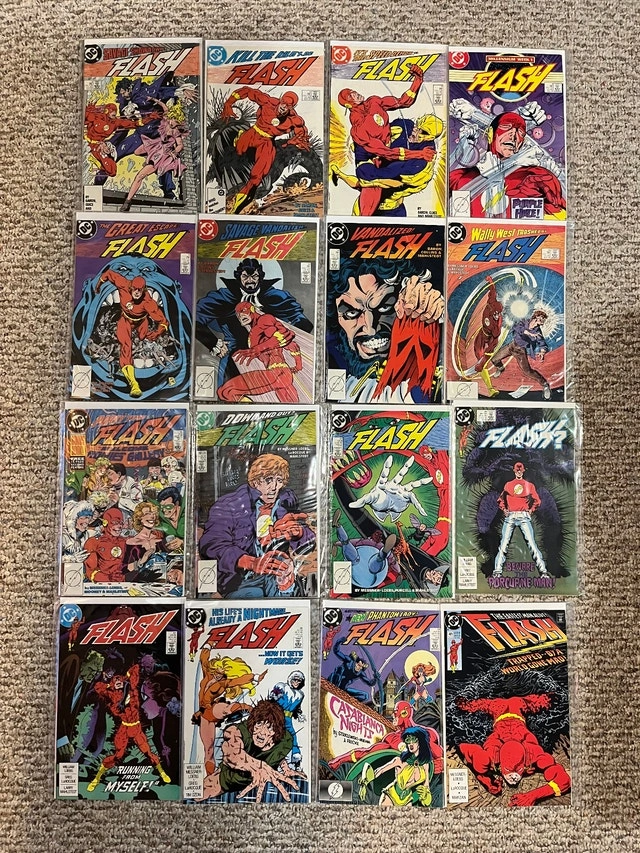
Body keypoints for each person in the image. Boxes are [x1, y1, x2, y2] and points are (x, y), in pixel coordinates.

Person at [326, 257, 443, 402]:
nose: (370, 328)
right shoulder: (332, 358)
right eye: (352, 313)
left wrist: (434, 313)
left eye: (385, 307)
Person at [199, 452, 315, 597]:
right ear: (255, 481)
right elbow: (211, 545)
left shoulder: (286, 501)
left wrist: (299, 533)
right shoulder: (229, 505)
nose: (274, 487)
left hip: (279, 577)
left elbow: (309, 544)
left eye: (279, 480)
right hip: (240, 581)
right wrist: (251, 562)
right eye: (268, 480)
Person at [196, 257, 312, 391]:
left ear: (260, 277)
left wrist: (280, 341)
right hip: (235, 359)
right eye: (245, 276)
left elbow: (304, 324)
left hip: (272, 359)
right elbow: (195, 318)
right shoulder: (223, 297)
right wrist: (213, 342)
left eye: (254, 276)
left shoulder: (275, 296)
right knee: (227, 393)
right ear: (238, 277)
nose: (250, 280)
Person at [334, 64, 429, 216]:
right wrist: (419, 154)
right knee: (371, 187)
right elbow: (387, 153)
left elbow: (403, 102)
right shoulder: (359, 129)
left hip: (386, 149)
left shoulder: (374, 102)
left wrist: (418, 80)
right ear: (348, 104)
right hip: (370, 159)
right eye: (351, 96)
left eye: (354, 92)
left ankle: (339, 173)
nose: (356, 94)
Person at [455, 693, 571, 806]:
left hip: (514, 705)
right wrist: (486, 780)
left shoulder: (534, 754)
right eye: (509, 770)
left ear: (524, 763)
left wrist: (532, 796)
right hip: (500, 708)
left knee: (550, 699)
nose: (514, 778)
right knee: (466, 706)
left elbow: (565, 781)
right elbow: (462, 748)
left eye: (518, 770)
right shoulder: (491, 756)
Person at [450, 110, 566, 218]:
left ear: (522, 143)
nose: (513, 136)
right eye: (506, 127)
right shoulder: (460, 177)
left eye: (520, 133)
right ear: (490, 133)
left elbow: (558, 219)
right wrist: (465, 151)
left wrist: (495, 179)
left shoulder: (538, 177)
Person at [330, 113, 443, 216]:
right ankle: (339, 173)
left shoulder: (422, 163)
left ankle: (339, 173)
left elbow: (374, 177)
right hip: (366, 201)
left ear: (431, 137)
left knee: (365, 182)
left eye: (423, 132)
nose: (415, 132)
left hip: (391, 209)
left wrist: (365, 158)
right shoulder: (404, 126)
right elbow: (375, 134)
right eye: (417, 126)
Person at [220, 88, 312, 213]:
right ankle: (239, 137)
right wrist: (229, 102)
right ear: (280, 100)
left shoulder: (294, 120)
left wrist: (297, 141)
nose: (284, 107)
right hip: (253, 134)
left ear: (291, 108)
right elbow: (247, 91)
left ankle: (240, 200)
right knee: (238, 151)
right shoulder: (267, 102)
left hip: (267, 142)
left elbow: (302, 133)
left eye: (288, 106)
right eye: (283, 103)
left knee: (258, 175)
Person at [87, 663, 170, 791]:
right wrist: (109, 685)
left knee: (148, 752)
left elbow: (135, 667)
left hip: (136, 728)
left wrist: (125, 678)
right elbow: (98, 687)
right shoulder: (112, 695)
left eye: (119, 680)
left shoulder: (132, 688)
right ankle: (96, 778)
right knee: (117, 756)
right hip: (124, 729)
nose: (118, 682)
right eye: (115, 681)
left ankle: (162, 772)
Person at [203, 699, 305, 801]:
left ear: (276, 731)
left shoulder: (285, 740)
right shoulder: (239, 731)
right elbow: (231, 753)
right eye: (259, 723)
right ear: (253, 723)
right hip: (223, 782)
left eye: (269, 727)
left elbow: (277, 754)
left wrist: (286, 770)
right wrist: (259, 766)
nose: (261, 732)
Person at [96, 264, 170, 398]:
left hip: (141, 322)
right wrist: (98, 285)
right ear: (130, 287)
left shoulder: (148, 302)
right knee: (126, 345)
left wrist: (157, 333)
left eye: (139, 290)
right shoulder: (123, 284)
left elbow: (164, 322)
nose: (136, 292)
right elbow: (109, 274)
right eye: (135, 289)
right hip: (125, 320)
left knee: (143, 338)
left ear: (144, 290)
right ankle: (134, 384)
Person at [192, 646, 264, 776]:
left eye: (221, 674)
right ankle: (210, 776)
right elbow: (204, 660)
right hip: (205, 716)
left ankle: (248, 708)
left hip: (213, 707)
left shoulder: (224, 683)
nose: (218, 675)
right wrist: (208, 646)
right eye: (217, 672)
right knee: (208, 749)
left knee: (225, 709)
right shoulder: (207, 674)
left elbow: (238, 681)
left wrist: (254, 677)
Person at [217, 302, 302, 403]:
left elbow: (285, 335)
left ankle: (250, 411)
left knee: (226, 391)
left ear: (252, 309)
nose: (240, 316)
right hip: (281, 375)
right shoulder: (255, 331)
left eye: (243, 311)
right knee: (291, 406)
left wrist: (257, 349)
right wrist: (298, 366)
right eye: (238, 314)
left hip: (277, 373)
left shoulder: (264, 320)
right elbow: (293, 346)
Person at [120, 101, 189, 212]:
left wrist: (174, 152)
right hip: (155, 146)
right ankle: (147, 159)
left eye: (176, 121)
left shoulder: (176, 131)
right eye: (173, 119)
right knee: (137, 152)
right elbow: (165, 108)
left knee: (140, 176)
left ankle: (127, 201)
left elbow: (180, 145)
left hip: (161, 156)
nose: (173, 123)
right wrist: (155, 100)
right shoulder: (166, 120)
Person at [494, 462, 549, 579]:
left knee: (532, 544)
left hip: (523, 516)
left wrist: (531, 510)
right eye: (517, 470)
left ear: (523, 471)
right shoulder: (508, 485)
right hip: (511, 516)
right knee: (503, 545)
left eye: (520, 470)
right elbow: (500, 499)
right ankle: (497, 572)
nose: (519, 472)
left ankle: (543, 572)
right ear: (514, 471)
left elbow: (537, 501)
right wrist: (504, 509)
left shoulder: (529, 485)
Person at [358, 726, 434, 807]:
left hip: (407, 799)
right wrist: (365, 783)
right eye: (408, 740)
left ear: (420, 742)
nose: (411, 744)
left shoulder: (425, 764)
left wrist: (426, 795)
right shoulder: (400, 760)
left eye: (414, 740)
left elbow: (426, 785)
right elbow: (381, 770)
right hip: (391, 796)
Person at [490, 309, 552, 399]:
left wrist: (542, 352)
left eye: (543, 320)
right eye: (542, 318)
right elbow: (516, 327)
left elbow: (542, 343)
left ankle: (545, 384)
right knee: (494, 359)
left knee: (527, 371)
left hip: (520, 351)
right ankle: (500, 368)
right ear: (536, 317)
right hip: (512, 346)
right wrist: (528, 332)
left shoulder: (537, 332)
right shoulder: (524, 321)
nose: (542, 321)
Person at [269, 671, 306, 769]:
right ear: (290, 679)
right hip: (277, 716)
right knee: (274, 736)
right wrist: (275, 696)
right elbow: (273, 698)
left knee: (293, 737)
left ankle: (296, 759)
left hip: (288, 719)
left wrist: (299, 714)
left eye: (299, 680)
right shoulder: (283, 687)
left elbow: (297, 708)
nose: (296, 682)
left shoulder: (300, 695)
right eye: (295, 680)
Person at [156, 486, 185, 553]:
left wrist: (183, 542)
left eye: (168, 506)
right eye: (162, 507)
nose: (164, 510)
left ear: (177, 504)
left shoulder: (186, 514)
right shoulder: (161, 519)